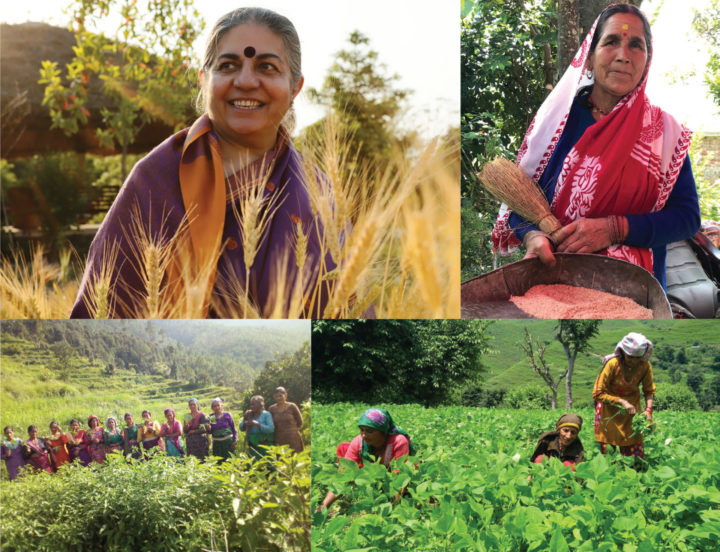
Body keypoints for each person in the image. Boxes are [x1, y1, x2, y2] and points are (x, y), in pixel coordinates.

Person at [70, 7, 335, 319]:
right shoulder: (154, 180)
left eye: (267, 67)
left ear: (295, 87)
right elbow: (98, 316)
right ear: (203, 80)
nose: (246, 81)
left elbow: (348, 312)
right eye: (228, 66)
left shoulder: (317, 192)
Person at [492, 4, 700, 291]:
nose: (623, 56)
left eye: (635, 45)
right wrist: (531, 235)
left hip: (635, 289)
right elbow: (520, 200)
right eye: (611, 41)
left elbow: (687, 218)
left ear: (646, 63)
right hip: (555, 280)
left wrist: (614, 229)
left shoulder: (663, 135)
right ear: (589, 58)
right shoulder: (555, 125)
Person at [319, 408, 414, 510]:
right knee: (343, 448)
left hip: (390, 481)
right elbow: (344, 475)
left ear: (382, 431)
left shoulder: (398, 442)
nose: (364, 435)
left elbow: (400, 477)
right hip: (371, 480)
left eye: (370, 431)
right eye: (362, 430)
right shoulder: (359, 442)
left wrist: (393, 507)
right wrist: (324, 506)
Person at [593, 332, 655, 460]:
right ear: (623, 352)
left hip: (632, 412)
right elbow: (598, 393)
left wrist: (648, 410)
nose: (633, 361)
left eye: (638, 358)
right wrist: (622, 402)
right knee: (609, 455)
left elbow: (649, 391)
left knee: (634, 454)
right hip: (609, 412)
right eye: (630, 357)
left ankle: (634, 476)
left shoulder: (645, 366)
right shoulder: (612, 364)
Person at [268, 386, 304, 453]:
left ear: (286, 395)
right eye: (276, 396)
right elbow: (271, 424)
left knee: (295, 459)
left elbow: (300, 422)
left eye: (280, 396)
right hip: (279, 439)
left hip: (293, 439)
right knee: (281, 460)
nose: (278, 398)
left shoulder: (292, 406)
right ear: (274, 397)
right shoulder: (271, 409)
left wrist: (291, 430)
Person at [240, 395, 274, 459]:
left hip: (265, 446)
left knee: (267, 465)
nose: (251, 406)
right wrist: (245, 423)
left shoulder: (266, 414)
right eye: (251, 405)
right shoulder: (249, 414)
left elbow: (271, 429)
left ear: (260, 405)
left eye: (253, 404)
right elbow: (241, 427)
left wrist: (257, 424)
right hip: (253, 447)